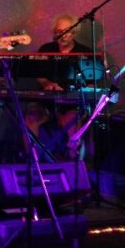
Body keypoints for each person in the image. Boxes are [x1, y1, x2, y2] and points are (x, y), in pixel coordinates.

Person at [26, 14, 93, 161]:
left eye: (67, 31)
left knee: (71, 120)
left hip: (72, 104)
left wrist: (73, 91)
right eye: (59, 31)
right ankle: (34, 161)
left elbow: (91, 83)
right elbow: (39, 74)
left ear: (74, 33)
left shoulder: (85, 52)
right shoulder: (46, 49)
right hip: (48, 103)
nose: (63, 35)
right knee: (32, 116)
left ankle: (73, 162)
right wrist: (47, 84)